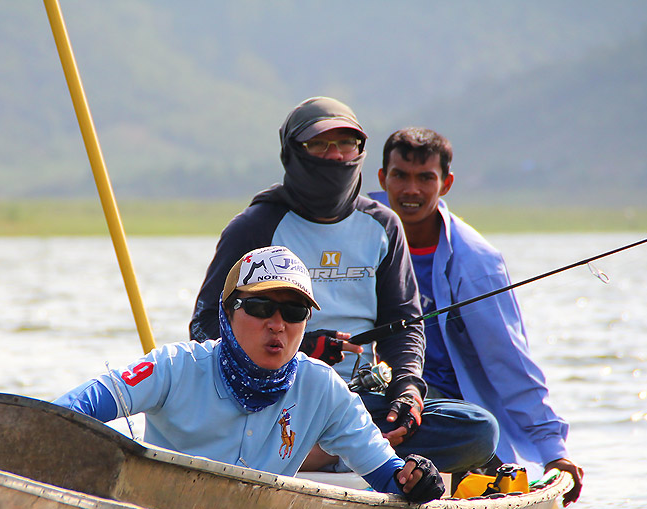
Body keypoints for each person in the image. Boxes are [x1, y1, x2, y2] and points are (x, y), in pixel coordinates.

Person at [189, 97, 497, 474]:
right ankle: (348, 449)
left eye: (346, 144)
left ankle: (324, 449)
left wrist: (407, 389)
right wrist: (298, 346)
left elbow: (405, 324)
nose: (335, 156)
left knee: (478, 431)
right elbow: (205, 327)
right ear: (292, 152)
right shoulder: (255, 227)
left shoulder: (383, 226)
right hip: (276, 397)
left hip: (360, 400)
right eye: (319, 145)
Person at [56, 245, 445, 504]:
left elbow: (387, 474)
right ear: (226, 314)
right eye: (260, 307)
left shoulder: (323, 388)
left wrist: (416, 477)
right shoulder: (174, 366)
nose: (277, 325)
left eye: (294, 314)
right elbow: (73, 409)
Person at [372, 127, 583, 505]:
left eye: (426, 178)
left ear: (446, 184)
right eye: (400, 176)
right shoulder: (358, 231)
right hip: (375, 389)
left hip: (446, 408)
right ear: (381, 179)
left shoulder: (475, 262)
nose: (411, 191)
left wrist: (553, 449)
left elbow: (509, 361)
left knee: (475, 431)